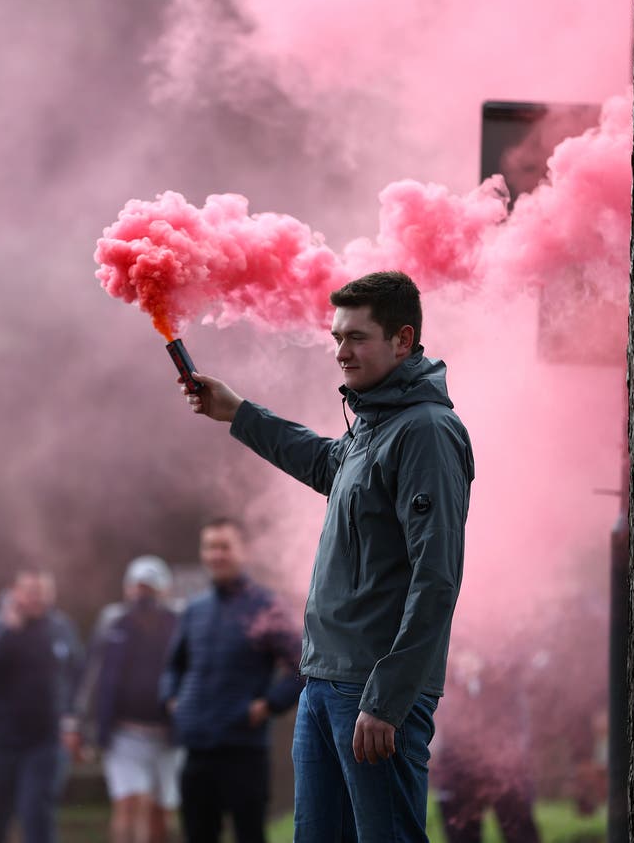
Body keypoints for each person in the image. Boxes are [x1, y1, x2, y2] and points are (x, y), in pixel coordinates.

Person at [183, 271, 474, 841]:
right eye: (336, 336)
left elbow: (436, 578)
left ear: (403, 339)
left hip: (371, 689)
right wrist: (237, 411)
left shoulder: (426, 431)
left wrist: (388, 699)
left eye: (356, 337)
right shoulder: (375, 423)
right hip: (322, 681)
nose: (340, 351)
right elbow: (324, 462)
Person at [161, 517, 305, 843]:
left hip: (245, 750)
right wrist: (172, 701)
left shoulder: (267, 606)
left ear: (244, 552)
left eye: (225, 547)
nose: (217, 555)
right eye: (210, 547)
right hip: (196, 749)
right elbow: (173, 667)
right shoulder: (194, 610)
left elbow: (302, 666)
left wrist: (268, 705)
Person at [65, 555, 183, 843]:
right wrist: (76, 723)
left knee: (161, 813)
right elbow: (91, 675)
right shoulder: (113, 622)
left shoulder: (180, 623)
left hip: (169, 734)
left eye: (150, 589)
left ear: (164, 590)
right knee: (130, 803)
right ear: (127, 589)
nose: (143, 595)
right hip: (124, 734)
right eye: (138, 588)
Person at [0, 567, 64, 843]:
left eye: (44, 593)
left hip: (43, 741)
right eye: (31, 592)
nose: (38, 599)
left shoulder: (58, 627)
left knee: (36, 813)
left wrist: (72, 717)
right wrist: (10, 633)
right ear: (15, 592)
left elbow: (75, 673)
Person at [431, 648, 541, 843]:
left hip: (506, 771)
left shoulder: (504, 681)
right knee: (461, 834)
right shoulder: (443, 679)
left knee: (520, 833)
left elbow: (516, 726)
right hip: (457, 774)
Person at [39, 571, 86, 800]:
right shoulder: (4, 627)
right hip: (19, 734)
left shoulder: (63, 627)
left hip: (57, 729)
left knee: (46, 798)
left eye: (46, 591)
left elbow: (78, 676)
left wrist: (72, 722)